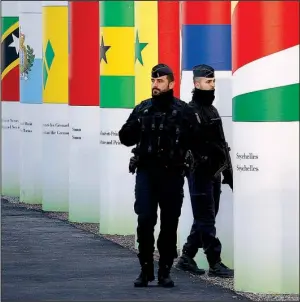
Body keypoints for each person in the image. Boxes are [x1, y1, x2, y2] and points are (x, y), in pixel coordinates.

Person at [119, 64, 199, 288]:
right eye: (153, 81)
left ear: (171, 84)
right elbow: (125, 138)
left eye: (160, 81)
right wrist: (134, 127)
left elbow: (196, 141)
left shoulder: (183, 111)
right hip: (146, 173)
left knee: (169, 223)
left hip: (172, 175)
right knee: (145, 221)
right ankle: (145, 271)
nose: (155, 85)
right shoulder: (143, 108)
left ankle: (165, 271)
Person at [176, 64, 234, 278]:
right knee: (206, 218)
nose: (212, 86)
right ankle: (214, 262)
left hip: (214, 172)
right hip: (198, 172)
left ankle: (187, 256)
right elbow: (181, 144)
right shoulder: (189, 112)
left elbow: (221, 143)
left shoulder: (212, 110)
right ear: (197, 83)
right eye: (208, 82)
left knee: (207, 216)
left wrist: (228, 172)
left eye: (213, 82)